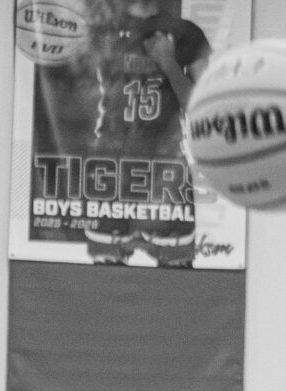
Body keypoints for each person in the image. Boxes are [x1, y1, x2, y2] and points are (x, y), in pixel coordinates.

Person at [80, 0, 211, 266]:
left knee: (174, 277)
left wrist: (168, 63)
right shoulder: (99, 30)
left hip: (166, 166)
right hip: (112, 163)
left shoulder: (188, 33)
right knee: (105, 277)